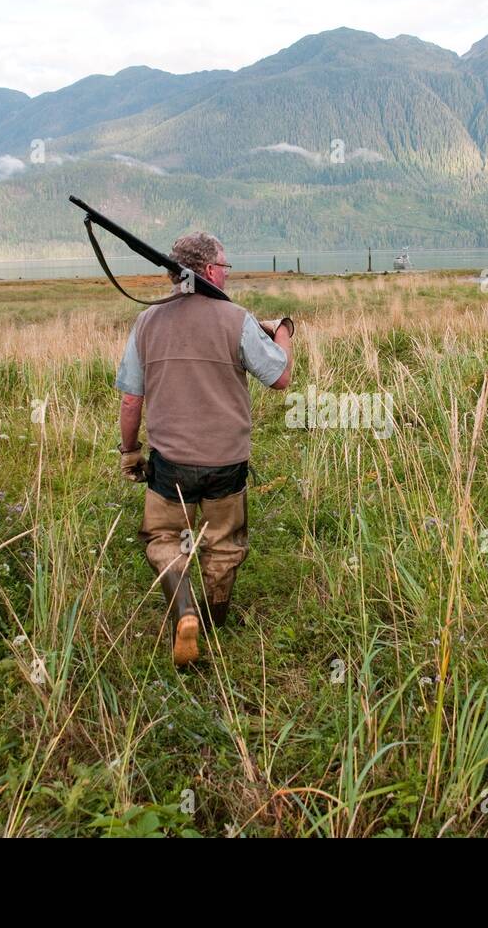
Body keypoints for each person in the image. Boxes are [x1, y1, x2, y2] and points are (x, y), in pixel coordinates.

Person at [114, 231, 294, 667]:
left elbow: (130, 400)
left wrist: (129, 451)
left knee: (162, 538)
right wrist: (284, 331)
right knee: (224, 544)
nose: (227, 273)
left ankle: (184, 611)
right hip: (226, 461)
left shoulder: (148, 322)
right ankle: (214, 620)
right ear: (210, 271)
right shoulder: (237, 318)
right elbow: (281, 377)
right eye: (225, 266)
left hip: (170, 462)